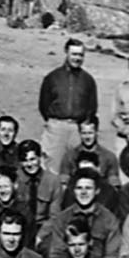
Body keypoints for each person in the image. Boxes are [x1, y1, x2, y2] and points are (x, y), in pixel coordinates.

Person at [38, 38, 98, 175]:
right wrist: (54, 123)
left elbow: (92, 108)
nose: (77, 58)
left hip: (77, 128)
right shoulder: (52, 77)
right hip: (56, 127)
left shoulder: (88, 80)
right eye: (74, 54)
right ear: (66, 53)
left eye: (80, 55)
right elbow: (43, 105)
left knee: (77, 168)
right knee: (52, 168)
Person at [37, 168, 121, 258]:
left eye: (88, 188)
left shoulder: (109, 220)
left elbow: (112, 257)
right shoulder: (62, 219)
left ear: (97, 191)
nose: (83, 192)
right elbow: (56, 254)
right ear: (74, 191)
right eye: (79, 188)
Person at [15, 139, 64, 228]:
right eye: (25, 161)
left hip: (43, 228)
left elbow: (55, 217)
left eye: (32, 159)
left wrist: (40, 237)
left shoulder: (53, 181)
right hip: (18, 228)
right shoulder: (15, 180)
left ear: (40, 157)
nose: (29, 164)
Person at [60, 116, 119, 186]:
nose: (87, 137)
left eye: (90, 133)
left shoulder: (109, 157)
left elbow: (114, 185)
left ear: (96, 132)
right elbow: (63, 183)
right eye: (84, 133)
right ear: (79, 133)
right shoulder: (69, 156)